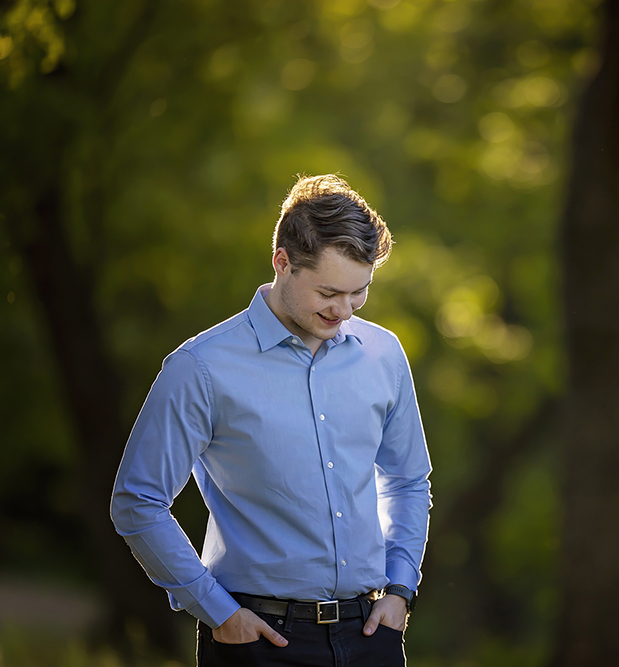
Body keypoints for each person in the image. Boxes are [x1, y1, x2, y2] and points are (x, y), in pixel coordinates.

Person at [111, 174, 432, 666]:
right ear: (283, 262)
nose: (344, 310)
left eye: (359, 293)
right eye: (329, 292)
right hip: (257, 641)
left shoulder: (383, 354)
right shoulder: (201, 367)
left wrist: (401, 587)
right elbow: (138, 501)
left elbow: (408, 481)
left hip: (372, 635)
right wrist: (216, 610)